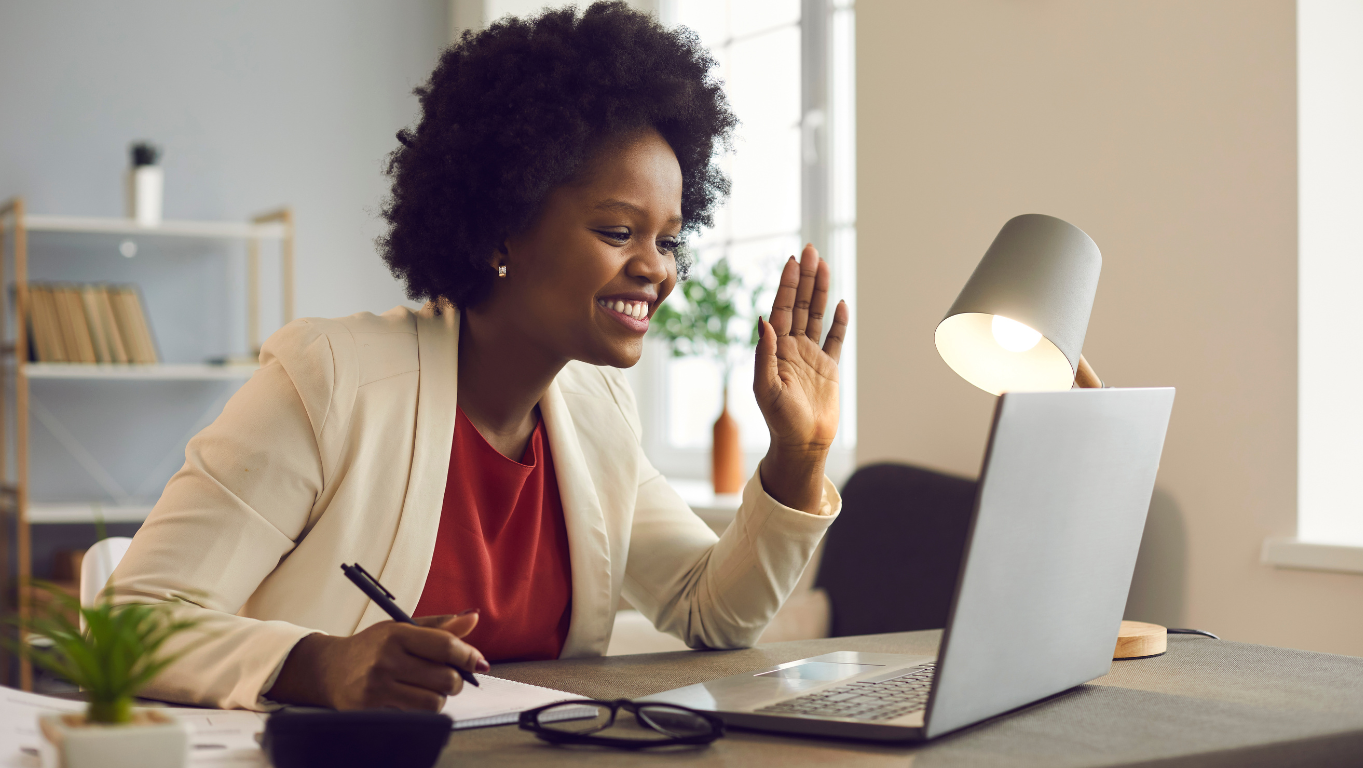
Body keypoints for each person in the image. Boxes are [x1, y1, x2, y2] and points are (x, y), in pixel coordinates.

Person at [112, 1, 850, 712]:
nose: (656, 268)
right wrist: (321, 664)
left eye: (670, 240)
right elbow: (128, 622)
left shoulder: (597, 415)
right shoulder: (332, 381)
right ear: (503, 230)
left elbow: (712, 611)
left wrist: (800, 452)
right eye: (618, 231)